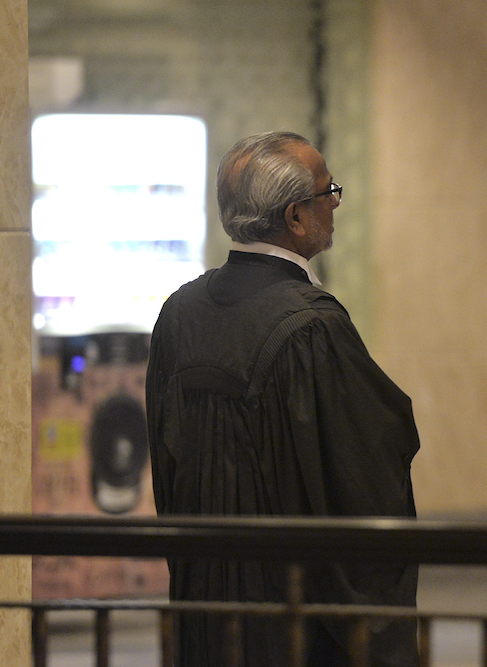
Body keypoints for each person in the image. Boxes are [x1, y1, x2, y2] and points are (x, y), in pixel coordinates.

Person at [146, 131, 421, 667]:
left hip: (205, 602)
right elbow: (364, 469)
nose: (336, 203)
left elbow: (166, 465)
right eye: (329, 192)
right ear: (296, 217)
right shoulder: (310, 326)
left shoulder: (179, 313)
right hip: (293, 613)